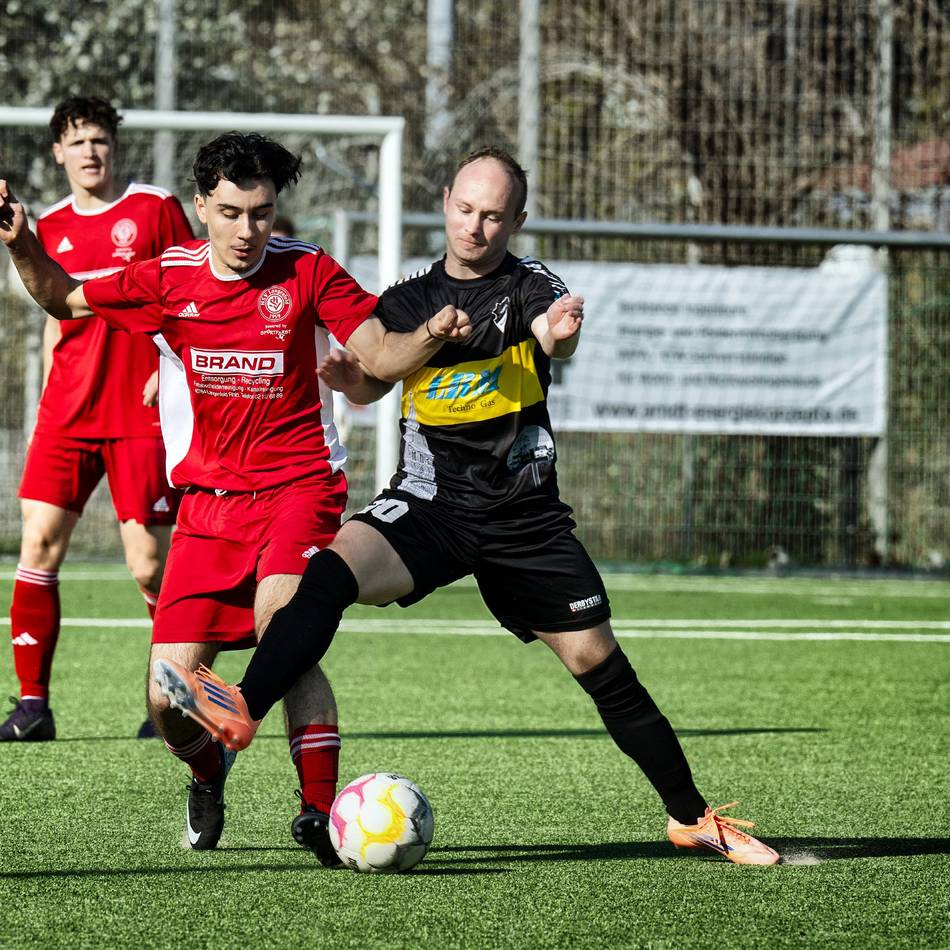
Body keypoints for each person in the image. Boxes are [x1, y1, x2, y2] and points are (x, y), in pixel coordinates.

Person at [152, 147, 781, 866]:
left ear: (516, 219)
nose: (475, 227)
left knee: (602, 668)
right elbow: (371, 386)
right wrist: (348, 378)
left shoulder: (530, 285)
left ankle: (692, 817)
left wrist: (558, 336)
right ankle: (242, 711)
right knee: (328, 575)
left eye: (492, 216)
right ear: (446, 200)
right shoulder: (408, 299)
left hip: (524, 521)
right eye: (464, 209)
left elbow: (550, 331)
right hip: (429, 507)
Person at [0, 131, 470, 861]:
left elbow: (376, 357)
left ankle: (319, 812)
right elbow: (63, 298)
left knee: (287, 623)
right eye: (230, 212)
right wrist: (22, 242)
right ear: (201, 206)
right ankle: (207, 767)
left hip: (298, 486)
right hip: (209, 507)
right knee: (167, 701)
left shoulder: (308, 269)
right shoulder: (168, 277)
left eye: (261, 212)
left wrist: (431, 335)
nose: (248, 230)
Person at [1, 97, 193, 743]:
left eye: (100, 140)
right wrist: (40, 414)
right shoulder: (44, 225)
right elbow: (57, 319)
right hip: (67, 413)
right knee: (38, 547)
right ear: (58, 152)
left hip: (139, 414)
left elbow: (193, 292)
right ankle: (32, 706)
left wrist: (170, 369)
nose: (90, 152)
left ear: (114, 148)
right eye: (77, 141)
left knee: (148, 567)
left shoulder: (153, 207)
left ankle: (169, 699)